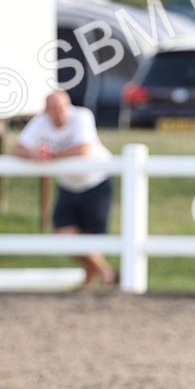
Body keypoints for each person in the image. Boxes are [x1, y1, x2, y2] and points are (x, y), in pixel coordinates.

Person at [13, 91, 116, 288]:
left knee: (91, 238)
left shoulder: (82, 116)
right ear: (46, 110)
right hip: (68, 184)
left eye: (60, 108)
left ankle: (89, 285)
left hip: (96, 181)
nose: (58, 113)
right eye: (53, 109)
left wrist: (50, 156)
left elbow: (83, 149)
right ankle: (107, 273)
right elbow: (16, 149)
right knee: (63, 236)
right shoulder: (40, 122)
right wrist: (34, 154)